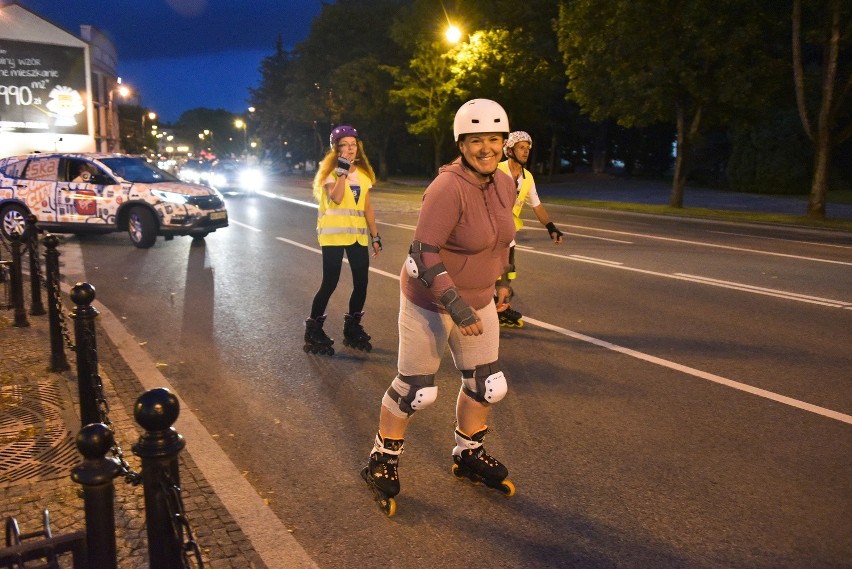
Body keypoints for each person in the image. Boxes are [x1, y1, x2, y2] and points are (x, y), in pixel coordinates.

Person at [361, 99, 517, 516]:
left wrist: (502, 282)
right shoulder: (448, 187)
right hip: (431, 300)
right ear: (461, 144)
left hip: (480, 296)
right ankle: (382, 458)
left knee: (486, 384)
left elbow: (504, 239)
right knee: (416, 391)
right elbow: (423, 252)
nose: (486, 148)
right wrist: (456, 306)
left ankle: (468, 452)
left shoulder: (505, 182)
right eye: (476, 140)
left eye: (494, 139)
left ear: (504, 142)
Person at [304, 125, 382, 356]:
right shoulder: (331, 174)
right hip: (333, 235)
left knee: (362, 283)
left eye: (353, 144)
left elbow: (366, 206)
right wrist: (342, 173)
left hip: (357, 236)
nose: (350, 149)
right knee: (330, 282)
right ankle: (314, 329)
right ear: (335, 149)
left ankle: (352, 326)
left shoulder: (365, 175)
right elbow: (337, 198)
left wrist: (375, 236)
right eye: (344, 145)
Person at [494, 131, 564, 327]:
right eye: (521, 148)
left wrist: (551, 227)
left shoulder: (528, 178)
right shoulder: (495, 169)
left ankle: (500, 309)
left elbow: (537, 205)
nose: (526, 152)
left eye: (528, 149)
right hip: (488, 234)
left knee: (506, 276)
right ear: (510, 149)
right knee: (484, 274)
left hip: (508, 236)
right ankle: (475, 305)